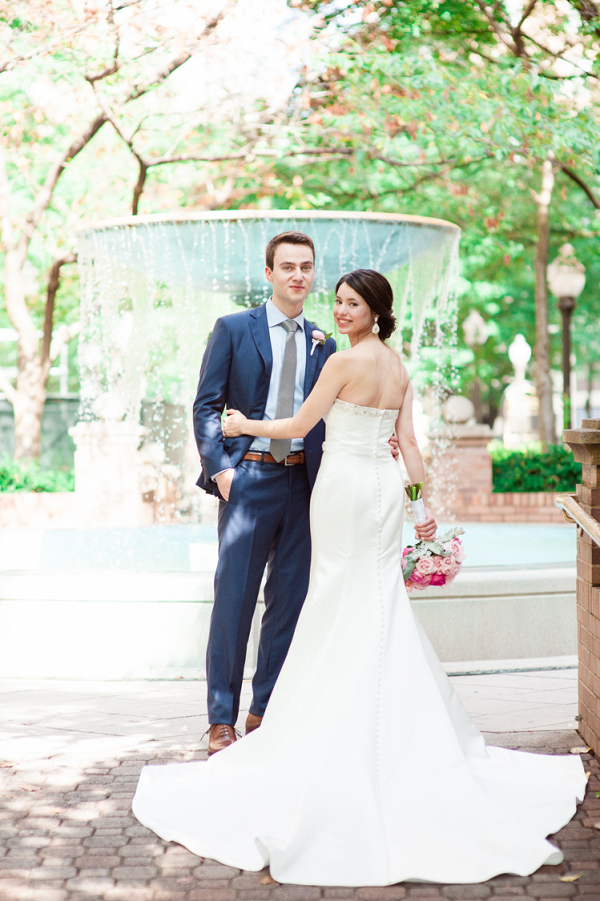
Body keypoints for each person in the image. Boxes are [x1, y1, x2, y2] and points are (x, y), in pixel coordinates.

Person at [133, 269, 585, 886]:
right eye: (339, 302)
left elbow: (296, 427)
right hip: (383, 493)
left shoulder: (343, 365)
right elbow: (411, 447)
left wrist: (240, 428)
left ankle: (322, 722)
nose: (341, 311)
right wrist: (422, 510)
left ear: (375, 310)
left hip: (343, 489)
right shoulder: (397, 367)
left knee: (336, 599)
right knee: (376, 600)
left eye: (353, 304)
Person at [192, 233, 402, 756]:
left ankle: (266, 713)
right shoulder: (234, 329)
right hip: (249, 480)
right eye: (287, 266)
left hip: (308, 486)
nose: (298, 276)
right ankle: (222, 720)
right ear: (269, 273)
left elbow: (335, 414)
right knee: (234, 601)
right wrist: (221, 472)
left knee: (289, 603)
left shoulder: (325, 343)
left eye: (306, 267)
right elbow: (205, 405)